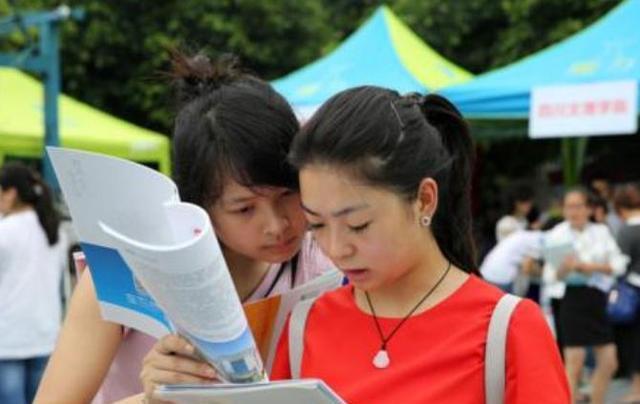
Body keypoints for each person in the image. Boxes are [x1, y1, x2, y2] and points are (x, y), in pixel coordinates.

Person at [34, 51, 335, 404]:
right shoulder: (124, 269)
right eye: (244, 208)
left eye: (287, 193)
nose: (277, 225)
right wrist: (149, 399)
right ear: (200, 205)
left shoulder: (328, 261)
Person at [268, 86, 569, 402]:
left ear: (424, 200)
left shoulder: (507, 329)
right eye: (316, 225)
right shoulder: (305, 325)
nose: (336, 249)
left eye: (358, 225)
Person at [543, 187, 627, 404]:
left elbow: (618, 264)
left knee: (609, 361)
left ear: (589, 208)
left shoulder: (601, 231)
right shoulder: (556, 234)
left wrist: (590, 267)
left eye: (578, 206)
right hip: (570, 298)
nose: (573, 212)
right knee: (574, 364)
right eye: (569, 207)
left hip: (597, 297)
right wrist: (565, 268)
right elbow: (550, 276)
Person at [0, 162, 66, 404]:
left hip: (8, 337)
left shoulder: (5, 231)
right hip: (45, 333)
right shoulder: (55, 231)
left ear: (11, 193)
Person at [613, 183, 640, 403]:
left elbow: (619, 265)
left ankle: (637, 389)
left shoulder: (626, 231)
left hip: (634, 290)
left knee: (635, 340)